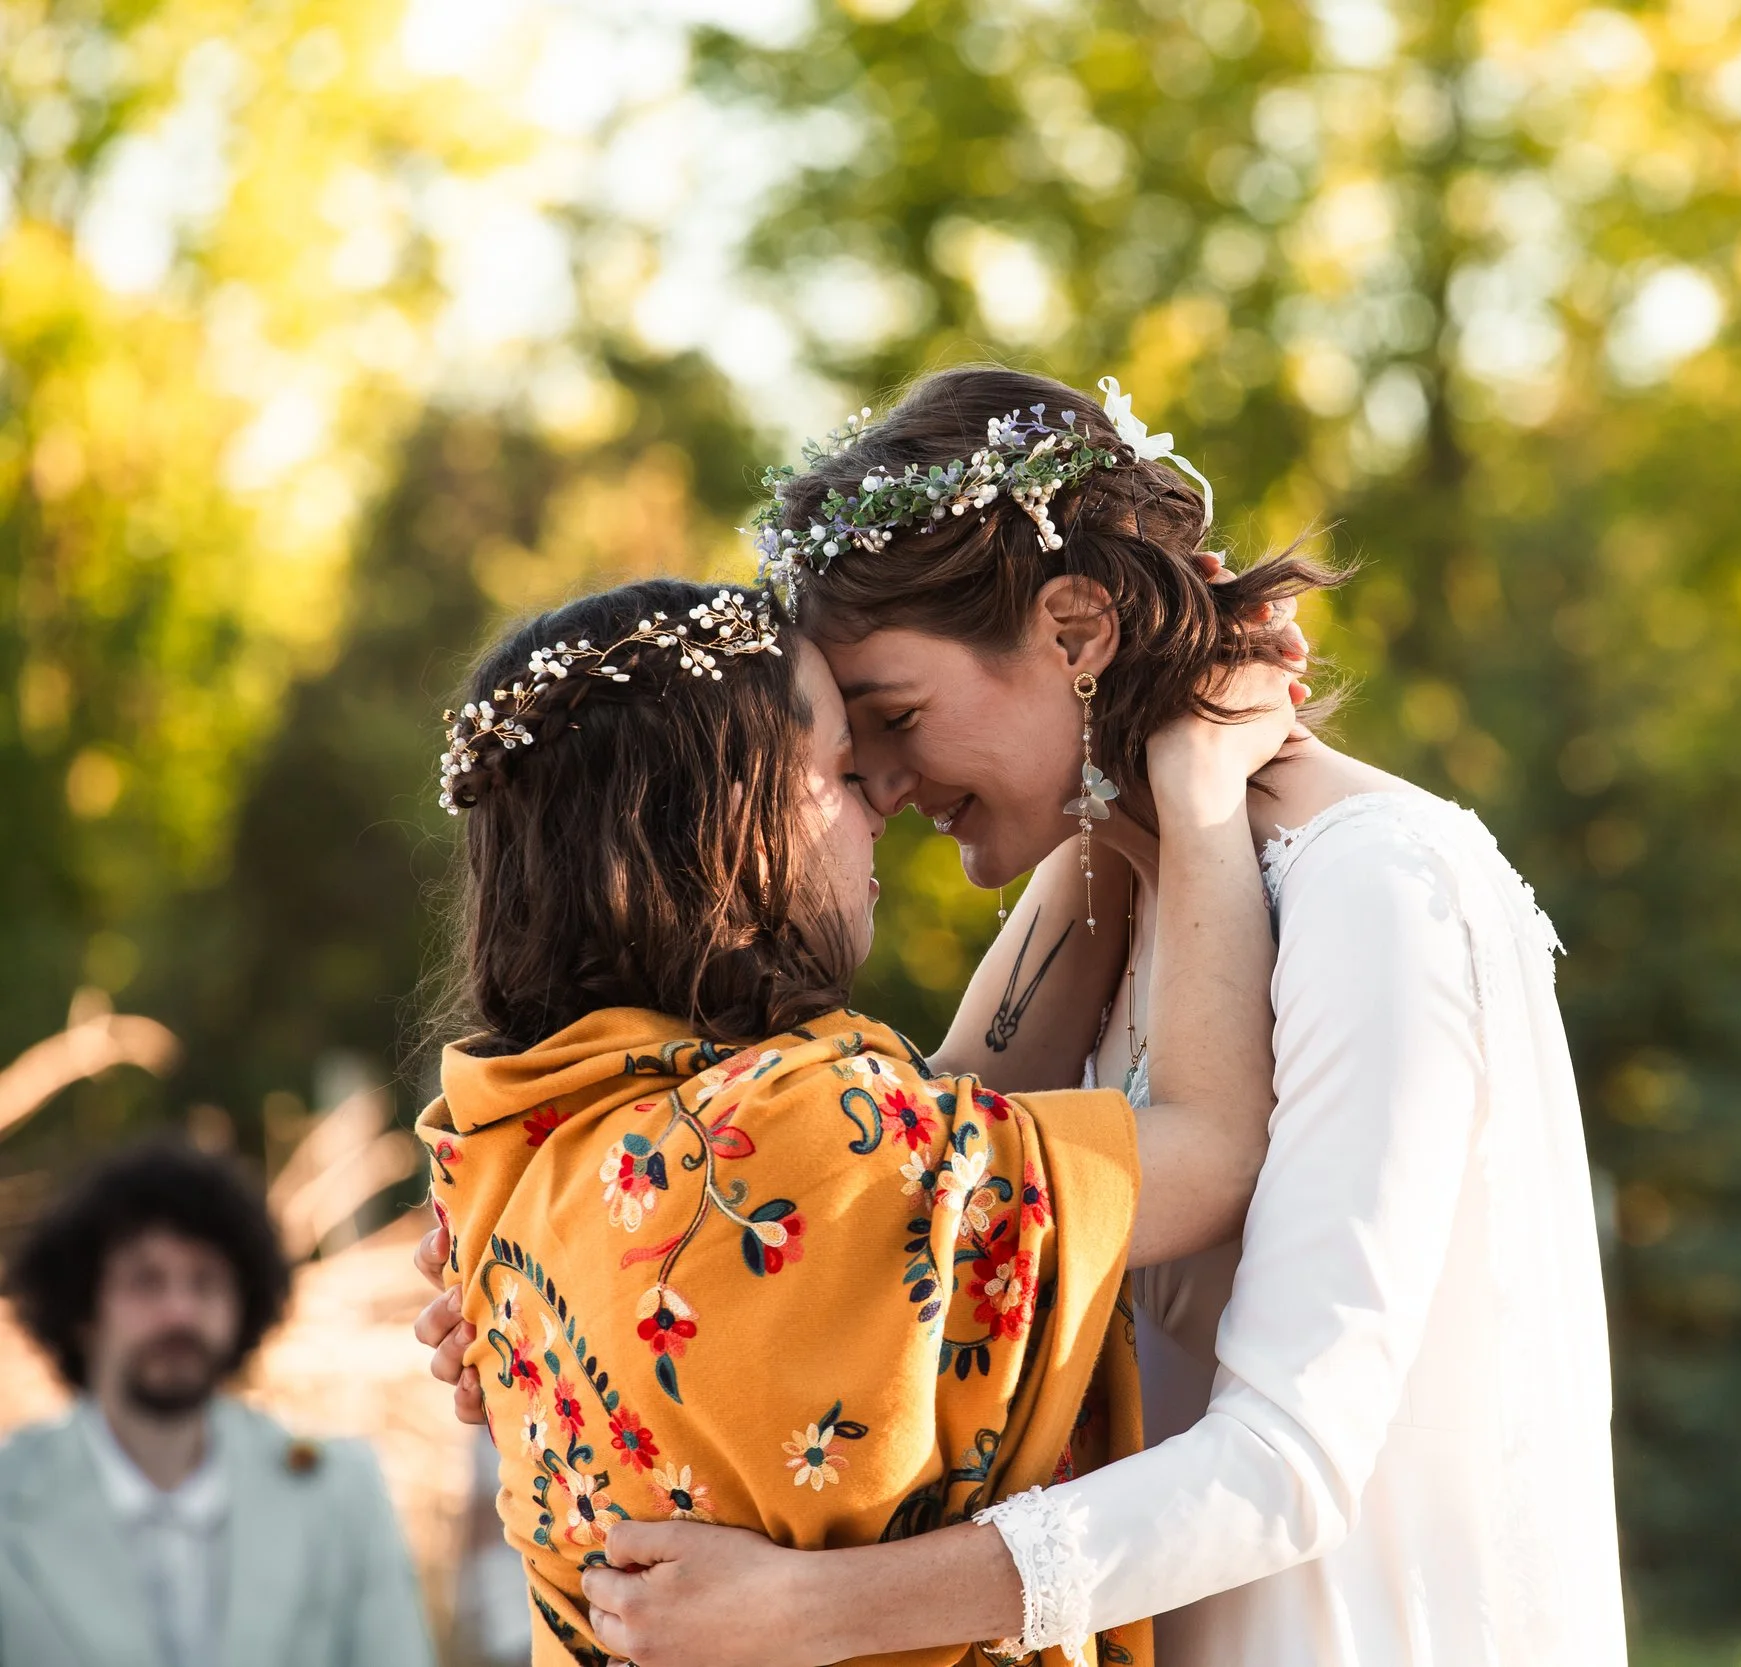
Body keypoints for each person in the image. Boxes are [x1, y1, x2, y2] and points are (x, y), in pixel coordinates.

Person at [528, 368, 1628, 1666]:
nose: (874, 784)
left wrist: (810, 1612)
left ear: (1075, 631)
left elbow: (1289, 1461)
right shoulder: (1129, 888)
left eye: (897, 717)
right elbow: (899, 1205)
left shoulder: (1374, 889)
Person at [414, 574, 1298, 1666]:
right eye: (837, 767)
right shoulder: (811, 1135)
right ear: (718, 821)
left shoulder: (518, 1146)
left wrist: (1097, 762)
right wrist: (1201, 781)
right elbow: (1210, 1152)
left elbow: (970, 1116)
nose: (882, 793)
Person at [0, 1142, 434, 1667]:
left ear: (243, 1303)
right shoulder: (11, 1498)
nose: (179, 1312)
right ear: (83, 1309)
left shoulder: (340, 1488)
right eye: (146, 1281)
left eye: (205, 1282)